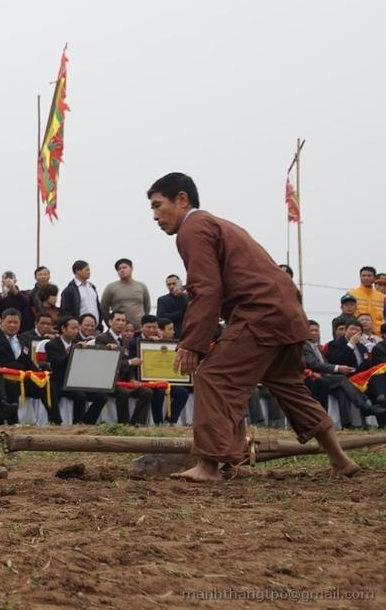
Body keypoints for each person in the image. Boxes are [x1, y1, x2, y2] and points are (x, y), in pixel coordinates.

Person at [148, 172, 360, 481]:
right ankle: (340, 459)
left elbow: (206, 289)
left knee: (213, 376)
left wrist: (193, 343)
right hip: (286, 311)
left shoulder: (192, 229)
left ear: (182, 199)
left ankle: (209, 465)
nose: (155, 216)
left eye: (158, 205)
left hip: (261, 312)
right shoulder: (219, 225)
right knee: (288, 385)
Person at [100, 259, 152, 328]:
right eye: (119, 269)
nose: (122, 270)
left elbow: (147, 307)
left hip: (139, 329)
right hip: (120, 330)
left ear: (132, 268)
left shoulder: (141, 286)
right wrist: (110, 325)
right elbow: (104, 309)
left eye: (124, 267)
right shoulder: (111, 287)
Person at [59, 260, 101, 324]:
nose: (89, 272)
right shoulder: (70, 290)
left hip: (95, 327)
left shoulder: (92, 288)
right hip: (78, 327)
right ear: (78, 271)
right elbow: (66, 311)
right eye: (87, 270)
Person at [348, 266, 384, 334]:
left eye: (369, 276)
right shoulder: (352, 294)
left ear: (374, 278)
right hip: (358, 334)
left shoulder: (381, 297)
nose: (366, 278)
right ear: (360, 277)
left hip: (378, 335)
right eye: (363, 275)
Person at [156, 274, 188, 339]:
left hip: (187, 332)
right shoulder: (163, 300)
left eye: (174, 283)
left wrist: (182, 296)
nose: (171, 286)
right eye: (169, 284)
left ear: (179, 284)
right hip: (171, 334)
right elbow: (160, 317)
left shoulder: (187, 297)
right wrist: (180, 312)